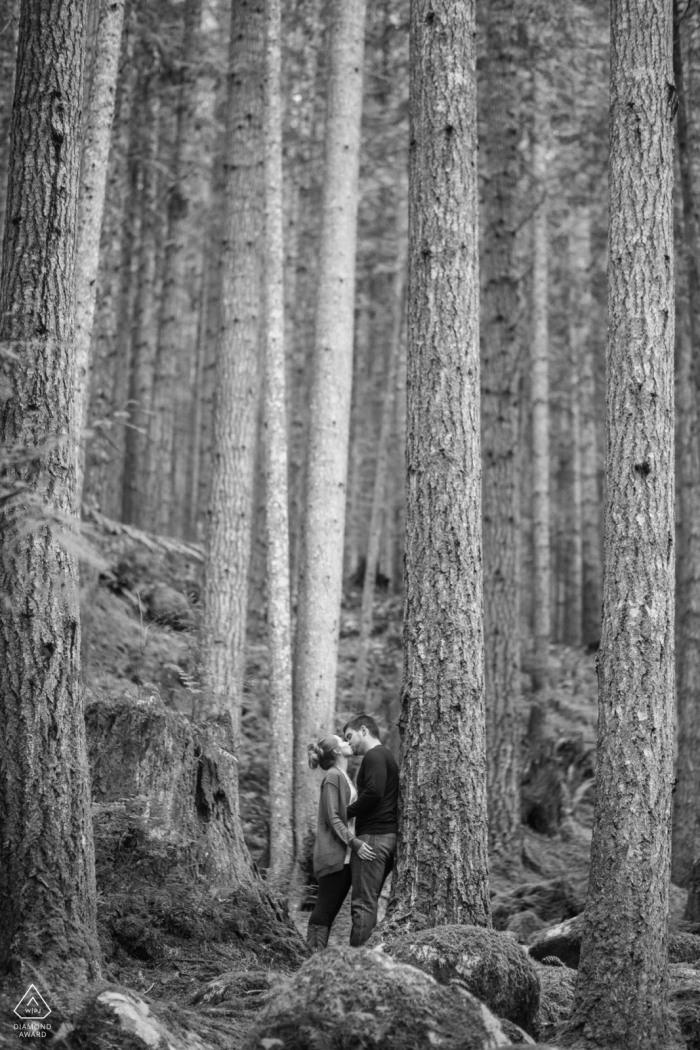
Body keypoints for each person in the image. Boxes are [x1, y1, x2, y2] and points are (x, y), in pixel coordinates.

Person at [306, 734, 376, 952]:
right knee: (325, 909)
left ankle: (314, 961)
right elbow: (332, 816)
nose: (348, 743)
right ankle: (310, 960)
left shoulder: (343, 776)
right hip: (333, 854)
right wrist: (354, 843)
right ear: (337, 751)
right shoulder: (333, 776)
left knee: (331, 909)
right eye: (342, 741)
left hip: (344, 856)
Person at [343, 713, 399, 946]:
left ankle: (357, 964)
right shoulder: (385, 756)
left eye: (349, 737)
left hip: (373, 840)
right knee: (369, 901)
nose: (348, 744)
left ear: (363, 730)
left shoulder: (374, 755)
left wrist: (345, 812)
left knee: (363, 904)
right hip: (385, 838)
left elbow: (374, 792)